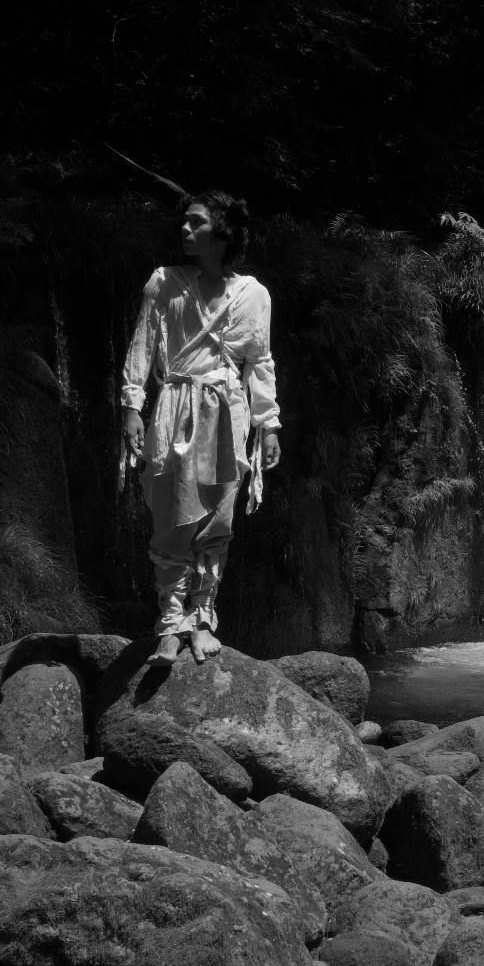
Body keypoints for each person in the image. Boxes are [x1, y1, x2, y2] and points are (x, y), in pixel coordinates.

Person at [119, 191, 280, 659]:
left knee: (217, 516)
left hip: (227, 413)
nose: (184, 230)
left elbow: (259, 361)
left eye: (196, 222)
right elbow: (143, 343)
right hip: (174, 406)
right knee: (172, 516)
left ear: (223, 231)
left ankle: (203, 618)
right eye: (185, 222)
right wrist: (132, 405)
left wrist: (268, 425)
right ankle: (171, 623)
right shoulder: (165, 283)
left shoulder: (253, 295)